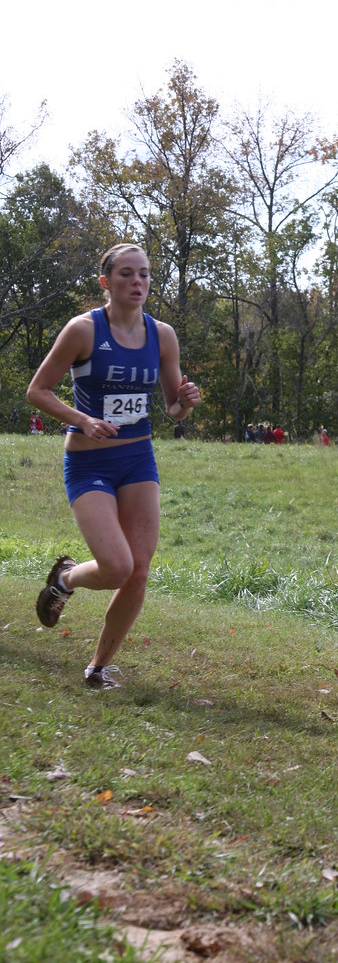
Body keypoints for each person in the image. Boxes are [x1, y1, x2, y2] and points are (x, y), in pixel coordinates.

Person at [27, 242, 200, 689]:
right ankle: (66, 577)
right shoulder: (83, 330)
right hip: (88, 463)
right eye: (126, 274)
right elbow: (38, 391)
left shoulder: (162, 334)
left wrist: (184, 404)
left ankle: (98, 667)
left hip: (138, 458)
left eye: (143, 274)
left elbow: (171, 409)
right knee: (117, 567)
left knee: (139, 569)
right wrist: (83, 418)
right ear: (106, 282)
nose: (137, 282)